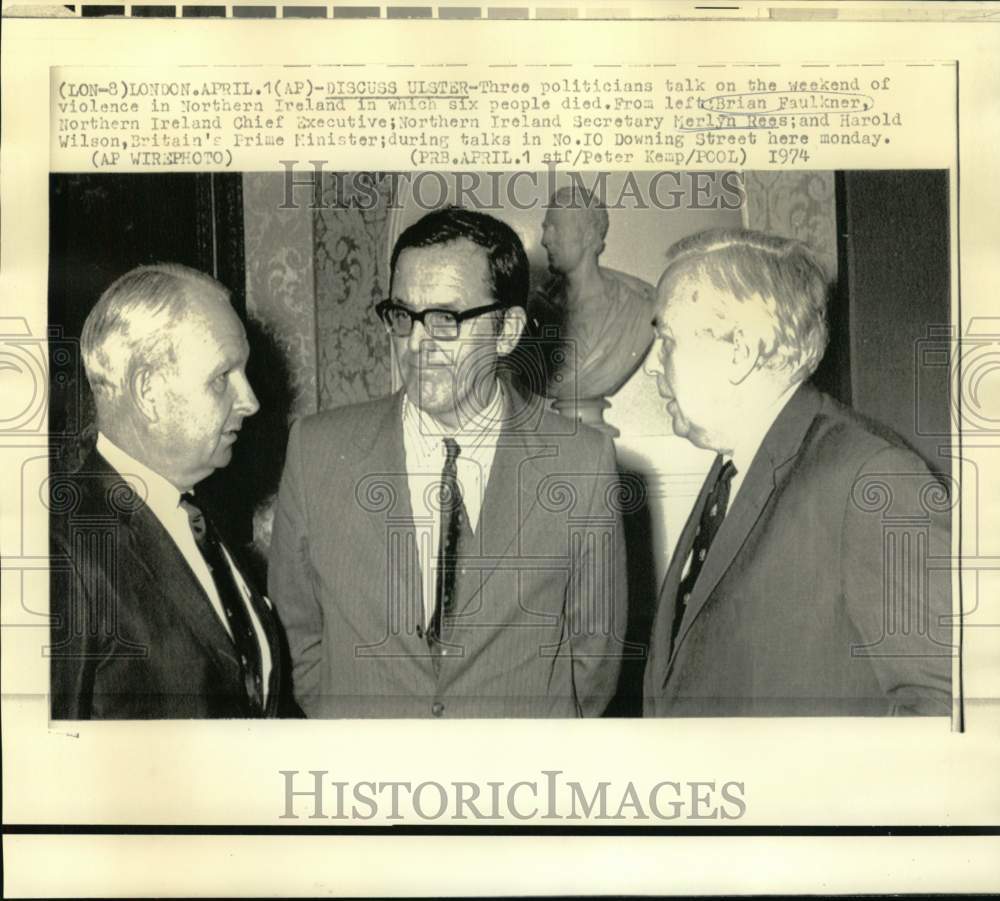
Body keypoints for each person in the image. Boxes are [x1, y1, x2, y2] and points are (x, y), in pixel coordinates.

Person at [269, 206, 628, 718]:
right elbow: (297, 640)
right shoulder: (316, 450)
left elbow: (594, 660)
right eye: (403, 315)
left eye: (446, 319)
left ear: (507, 331)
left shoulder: (581, 462)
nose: (417, 343)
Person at [642, 228, 953, 717]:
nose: (652, 368)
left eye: (667, 341)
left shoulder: (871, 478)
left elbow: (941, 708)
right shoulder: (733, 468)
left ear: (739, 353)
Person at [50, 263, 292, 719]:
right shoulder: (64, 547)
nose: (251, 400)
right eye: (224, 376)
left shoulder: (198, 520)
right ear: (148, 390)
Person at [526, 186, 655, 423]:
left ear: (587, 235)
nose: (545, 240)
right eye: (546, 229)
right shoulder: (535, 310)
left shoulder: (636, 309)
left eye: (555, 228)